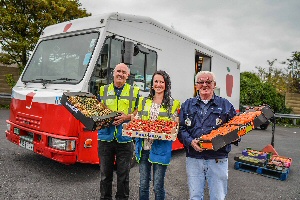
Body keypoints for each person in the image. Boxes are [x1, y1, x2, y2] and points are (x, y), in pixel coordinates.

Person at [178, 71, 237, 200]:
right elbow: (180, 129)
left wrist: (227, 138)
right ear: (196, 85)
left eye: (208, 82)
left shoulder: (226, 105)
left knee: (218, 197)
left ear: (214, 85)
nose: (205, 84)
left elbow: (236, 131)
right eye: (201, 82)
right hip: (194, 159)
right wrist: (190, 141)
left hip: (217, 159)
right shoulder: (187, 105)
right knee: (195, 196)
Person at [135, 70, 180, 200]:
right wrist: (135, 121)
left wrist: (174, 125)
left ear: (166, 85)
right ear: (152, 84)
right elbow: (138, 120)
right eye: (156, 81)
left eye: (161, 82)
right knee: (143, 185)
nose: (158, 84)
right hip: (144, 148)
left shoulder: (172, 103)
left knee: (158, 186)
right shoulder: (144, 101)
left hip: (161, 149)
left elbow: (174, 126)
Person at [98, 63, 140, 200]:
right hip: (105, 138)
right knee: (105, 175)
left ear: (128, 76)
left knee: (123, 175)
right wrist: (108, 119)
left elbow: (139, 112)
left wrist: (126, 117)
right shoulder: (103, 90)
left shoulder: (134, 91)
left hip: (125, 138)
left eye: (124, 72)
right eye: (118, 71)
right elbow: (97, 112)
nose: (120, 74)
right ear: (113, 73)